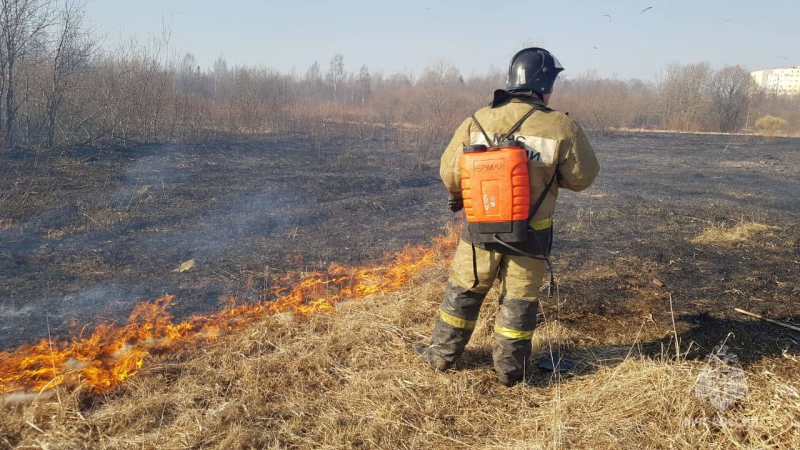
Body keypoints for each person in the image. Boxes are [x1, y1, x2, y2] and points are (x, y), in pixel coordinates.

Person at [414, 48, 600, 387]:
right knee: (518, 304)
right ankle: (510, 373)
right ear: (544, 83)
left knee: (463, 292)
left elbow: (449, 175)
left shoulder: (477, 120)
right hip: (530, 236)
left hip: (480, 230)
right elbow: (582, 179)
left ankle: (441, 356)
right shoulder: (561, 126)